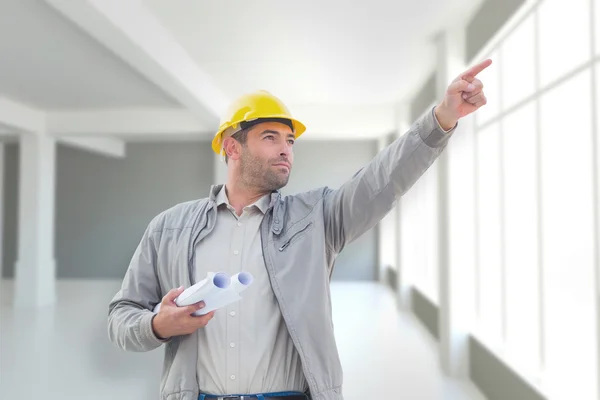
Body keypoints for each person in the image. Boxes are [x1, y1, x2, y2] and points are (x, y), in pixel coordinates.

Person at [108, 59, 492, 400]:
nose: (286, 150)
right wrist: (158, 324)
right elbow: (121, 316)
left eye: (290, 140)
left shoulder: (316, 217)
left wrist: (442, 117)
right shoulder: (169, 228)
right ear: (232, 147)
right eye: (270, 137)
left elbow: (381, 181)